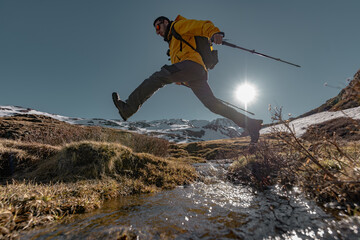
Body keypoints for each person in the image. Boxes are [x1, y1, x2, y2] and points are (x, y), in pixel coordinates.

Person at [112, 15, 263, 144]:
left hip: (193, 66)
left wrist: (214, 33)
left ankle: (128, 108)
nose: (157, 33)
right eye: (155, 31)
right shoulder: (173, 43)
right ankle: (251, 124)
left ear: (165, 22)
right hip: (195, 74)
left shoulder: (178, 26)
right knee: (212, 104)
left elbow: (202, 25)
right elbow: (180, 64)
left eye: (158, 28)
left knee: (158, 78)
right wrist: (182, 79)